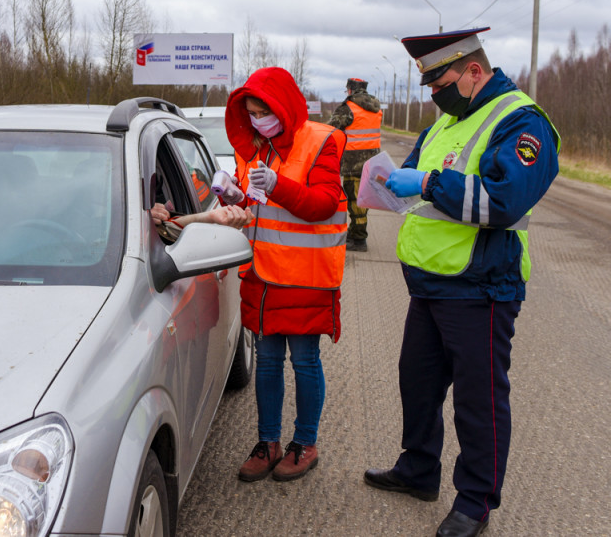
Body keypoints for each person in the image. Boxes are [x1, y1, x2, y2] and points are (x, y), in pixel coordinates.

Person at [364, 28, 560, 537]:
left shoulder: (521, 121)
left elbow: (504, 202)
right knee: (417, 382)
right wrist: (387, 185)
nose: (434, 94)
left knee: (479, 401)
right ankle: (418, 469)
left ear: (474, 71)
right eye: (429, 86)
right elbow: (414, 181)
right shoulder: (445, 123)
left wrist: (429, 183)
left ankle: (475, 502)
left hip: (481, 286)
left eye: (440, 83)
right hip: (429, 283)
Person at [221, 67, 347, 483]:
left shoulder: (321, 141)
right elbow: (253, 206)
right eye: (252, 113)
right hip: (263, 276)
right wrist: (234, 197)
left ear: (285, 108)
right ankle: (268, 443)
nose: (258, 120)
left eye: (264, 112)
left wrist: (277, 185)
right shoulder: (253, 148)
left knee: (305, 361)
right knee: (268, 362)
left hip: (305, 277)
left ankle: (304, 443)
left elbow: (323, 204)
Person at [327, 77, 382, 251]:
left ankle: (358, 239)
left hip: (353, 163)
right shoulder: (376, 107)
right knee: (363, 199)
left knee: (355, 201)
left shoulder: (348, 107)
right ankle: (355, 233)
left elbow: (330, 128)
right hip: (372, 161)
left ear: (350, 90)